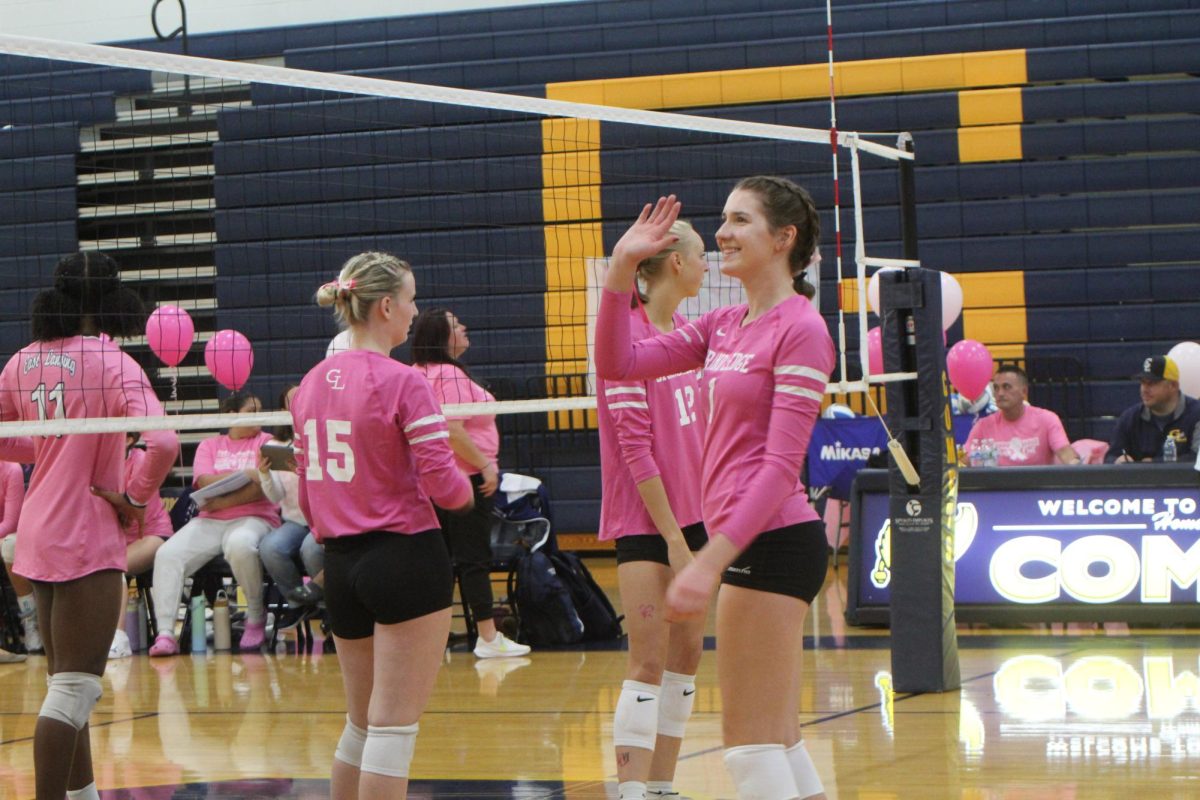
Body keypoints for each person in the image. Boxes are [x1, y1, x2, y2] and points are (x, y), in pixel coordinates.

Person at [596, 179, 834, 800]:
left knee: (750, 750)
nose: (722, 232)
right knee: (779, 742)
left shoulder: (801, 329)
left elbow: (782, 467)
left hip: (772, 541)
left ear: (783, 239)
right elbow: (619, 363)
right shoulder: (725, 324)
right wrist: (620, 270)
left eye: (740, 220)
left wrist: (711, 559)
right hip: (755, 542)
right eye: (723, 219)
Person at [290, 251, 474, 800]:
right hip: (404, 557)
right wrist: (472, 493)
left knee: (361, 723)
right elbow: (444, 484)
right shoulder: (404, 382)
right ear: (387, 306)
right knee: (393, 730)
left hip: (341, 566)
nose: (416, 313)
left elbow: (306, 493)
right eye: (412, 300)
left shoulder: (309, 384)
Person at [0, 251, 179, 800]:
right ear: (109, 299)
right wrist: (134, 495)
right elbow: (165, 441)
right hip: (84, 532)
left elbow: (7, 442)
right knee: (75, 692)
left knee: (64, 688)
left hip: (36, 531)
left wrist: (60, 447)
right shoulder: (113, 362)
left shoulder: (21, 360)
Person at [596, 220, 709, 800]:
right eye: (701, 255)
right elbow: (636, 450)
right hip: (648, 522)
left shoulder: (689, 336)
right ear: (675, 265)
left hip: (698, 518)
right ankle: (630, 790)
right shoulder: (629, 343)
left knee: (687, 662)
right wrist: (672, 538)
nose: (708, 266)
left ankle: (663, 787)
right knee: (648, 663)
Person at [410, 308, 530, 659]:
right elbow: (452, 429)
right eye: (455, 324)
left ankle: (430, 638)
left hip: (430, 481)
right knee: (473, 559)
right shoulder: (450, 374)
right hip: (463, 480)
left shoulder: (418, 373)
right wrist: (485, 467)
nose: (464, 327)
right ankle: (488, 638)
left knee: (440, 562)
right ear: (441, 336)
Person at [148, 392, 280, 656]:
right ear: (231, 416)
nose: (260, 417)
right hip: (210, 520)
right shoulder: (209, 445)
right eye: (251, 411)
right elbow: (205, 483)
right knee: (167, 554)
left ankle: (255, 615)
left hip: (256, 517)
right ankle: (165, 634)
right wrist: (245, 474)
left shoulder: (267, 441)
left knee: (239, 544)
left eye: (261, 411)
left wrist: (221, 501)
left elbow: (263, 490)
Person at [257, 384, 324, 619]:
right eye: (291, 400)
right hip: (295, 520)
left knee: (312, 550)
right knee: (270, 547)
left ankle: (329, 609)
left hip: (322, 519)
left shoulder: (322, 436)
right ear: (284, 408)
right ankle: (299, 608)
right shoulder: (275, 446)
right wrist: (264, 474)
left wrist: (306, 472)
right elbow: (275, 497)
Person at [109, 433, 176, 659]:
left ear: (128, 439)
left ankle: (118, 639)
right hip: (113, 540)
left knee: (112, 569)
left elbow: (133, 514)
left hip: (150, 534)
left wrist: (104, 498)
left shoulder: (141, 463)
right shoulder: (101, 463)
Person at [963, 365, 1080, 466]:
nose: (1000, 393)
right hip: (997, 489)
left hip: (1039, 489)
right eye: (996, 388)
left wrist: (1077, 469)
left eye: (1006, 387)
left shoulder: (1047, 419)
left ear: (1024, 392)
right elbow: (964, 461)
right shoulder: (983, 425)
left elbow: (1065, 452)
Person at [1105, 355, 1200, 463]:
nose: (1144, 389)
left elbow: (1198, 459)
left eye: (1151, 383)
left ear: (1173, 386)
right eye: (1142, 383)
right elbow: (1110, 457)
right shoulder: (1129, 418)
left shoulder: (1196, 414)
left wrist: (1154, 463)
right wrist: (1118, 460)